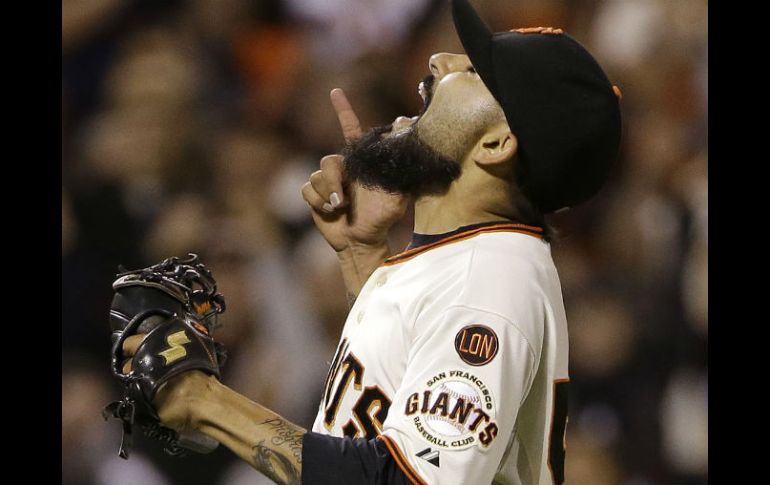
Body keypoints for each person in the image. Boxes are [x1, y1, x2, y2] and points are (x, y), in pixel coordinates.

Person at [120, 0, 621, 483]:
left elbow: (398, 483)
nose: (440, 60)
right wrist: (365, 260)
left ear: (495, 145)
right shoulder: (475, 261)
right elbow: (383, 432)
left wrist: (204, 402)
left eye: (472, 72)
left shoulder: (488, 280)